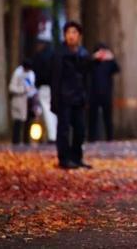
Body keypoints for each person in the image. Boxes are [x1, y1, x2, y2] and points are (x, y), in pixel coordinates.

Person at [50, 21, 91, 169]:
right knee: (64, 131)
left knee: (80, 130)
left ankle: (76, 157)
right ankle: (64, 159)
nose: (71, 36)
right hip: (63, 98)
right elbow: (55, 78)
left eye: (74, 33)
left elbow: (87, 77)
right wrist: (54, 101)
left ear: (79, 36)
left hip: (79, 98)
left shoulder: (84, 54)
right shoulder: (59, 54)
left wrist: (86, 97)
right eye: (68, 33)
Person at [88, 43, 120, 142]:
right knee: (92, 116)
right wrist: (93, 58)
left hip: (106, 93)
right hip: (93, 93)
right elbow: (85, 67)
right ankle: (92, 137)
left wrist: (112, 58)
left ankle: (110, 137)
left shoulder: (109, 63)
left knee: (108, 116)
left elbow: (117, 69)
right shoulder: (93, 63)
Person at [32, 36, 57, 143]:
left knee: (47, 111)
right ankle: (52, 135)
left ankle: (52, 136)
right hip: (54, 86)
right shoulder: (55, 56)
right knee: (53, 112)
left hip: (44, 87)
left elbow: (37, 72)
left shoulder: (40, 56)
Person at [9, 59, 37, 145]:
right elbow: (11, 87)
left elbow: (32, 86)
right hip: (19, 99)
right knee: (18, 120)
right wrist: (23, 89)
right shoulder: (18, 73)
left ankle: (26, 140)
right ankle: (16, 141)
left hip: (29, 100)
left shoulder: (31, 74)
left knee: (28, 120)